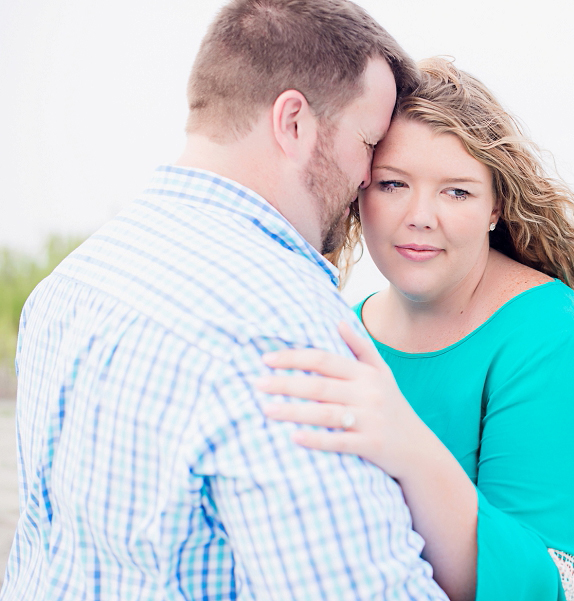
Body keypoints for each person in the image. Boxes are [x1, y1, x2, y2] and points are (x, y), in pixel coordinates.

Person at [1, 1, 450, 599]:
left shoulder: (71, 284)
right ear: (293, 122)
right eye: (368, 141)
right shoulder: (281, 325)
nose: (369, 176)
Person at [257, 58, 574, 601]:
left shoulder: (557, 344)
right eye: (393, 184)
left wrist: (409, 445)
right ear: (359, 194)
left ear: (497, 205)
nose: (420, 215)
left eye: (457, 192)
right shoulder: (347, 327)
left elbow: (546, 587)